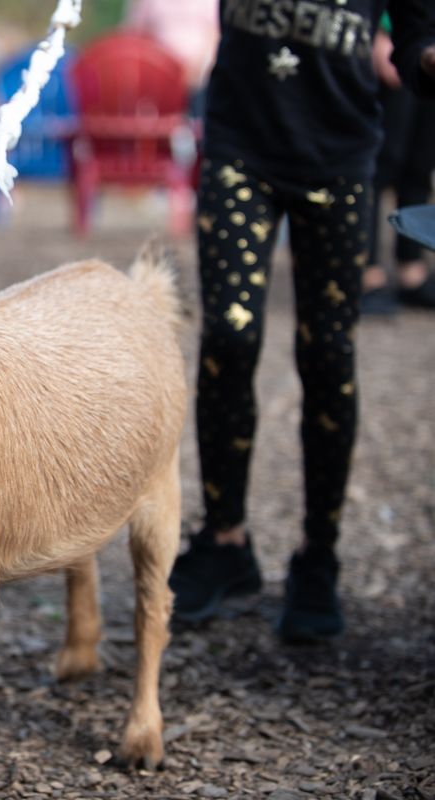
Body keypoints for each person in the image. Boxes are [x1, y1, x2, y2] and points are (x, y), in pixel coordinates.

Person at [168, 0, 435, 643]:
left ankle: (319, 555)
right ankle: (225, 539)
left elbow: (417, 37)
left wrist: (426, 56)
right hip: (240, 146)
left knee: (328, 356)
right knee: (229, 339)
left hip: (339, 156)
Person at [362, 17, 435, 315]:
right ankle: (366, 271)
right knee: (383, 160)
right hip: (399, 34)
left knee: (422, 160)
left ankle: (411, 266)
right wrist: (379, 31)